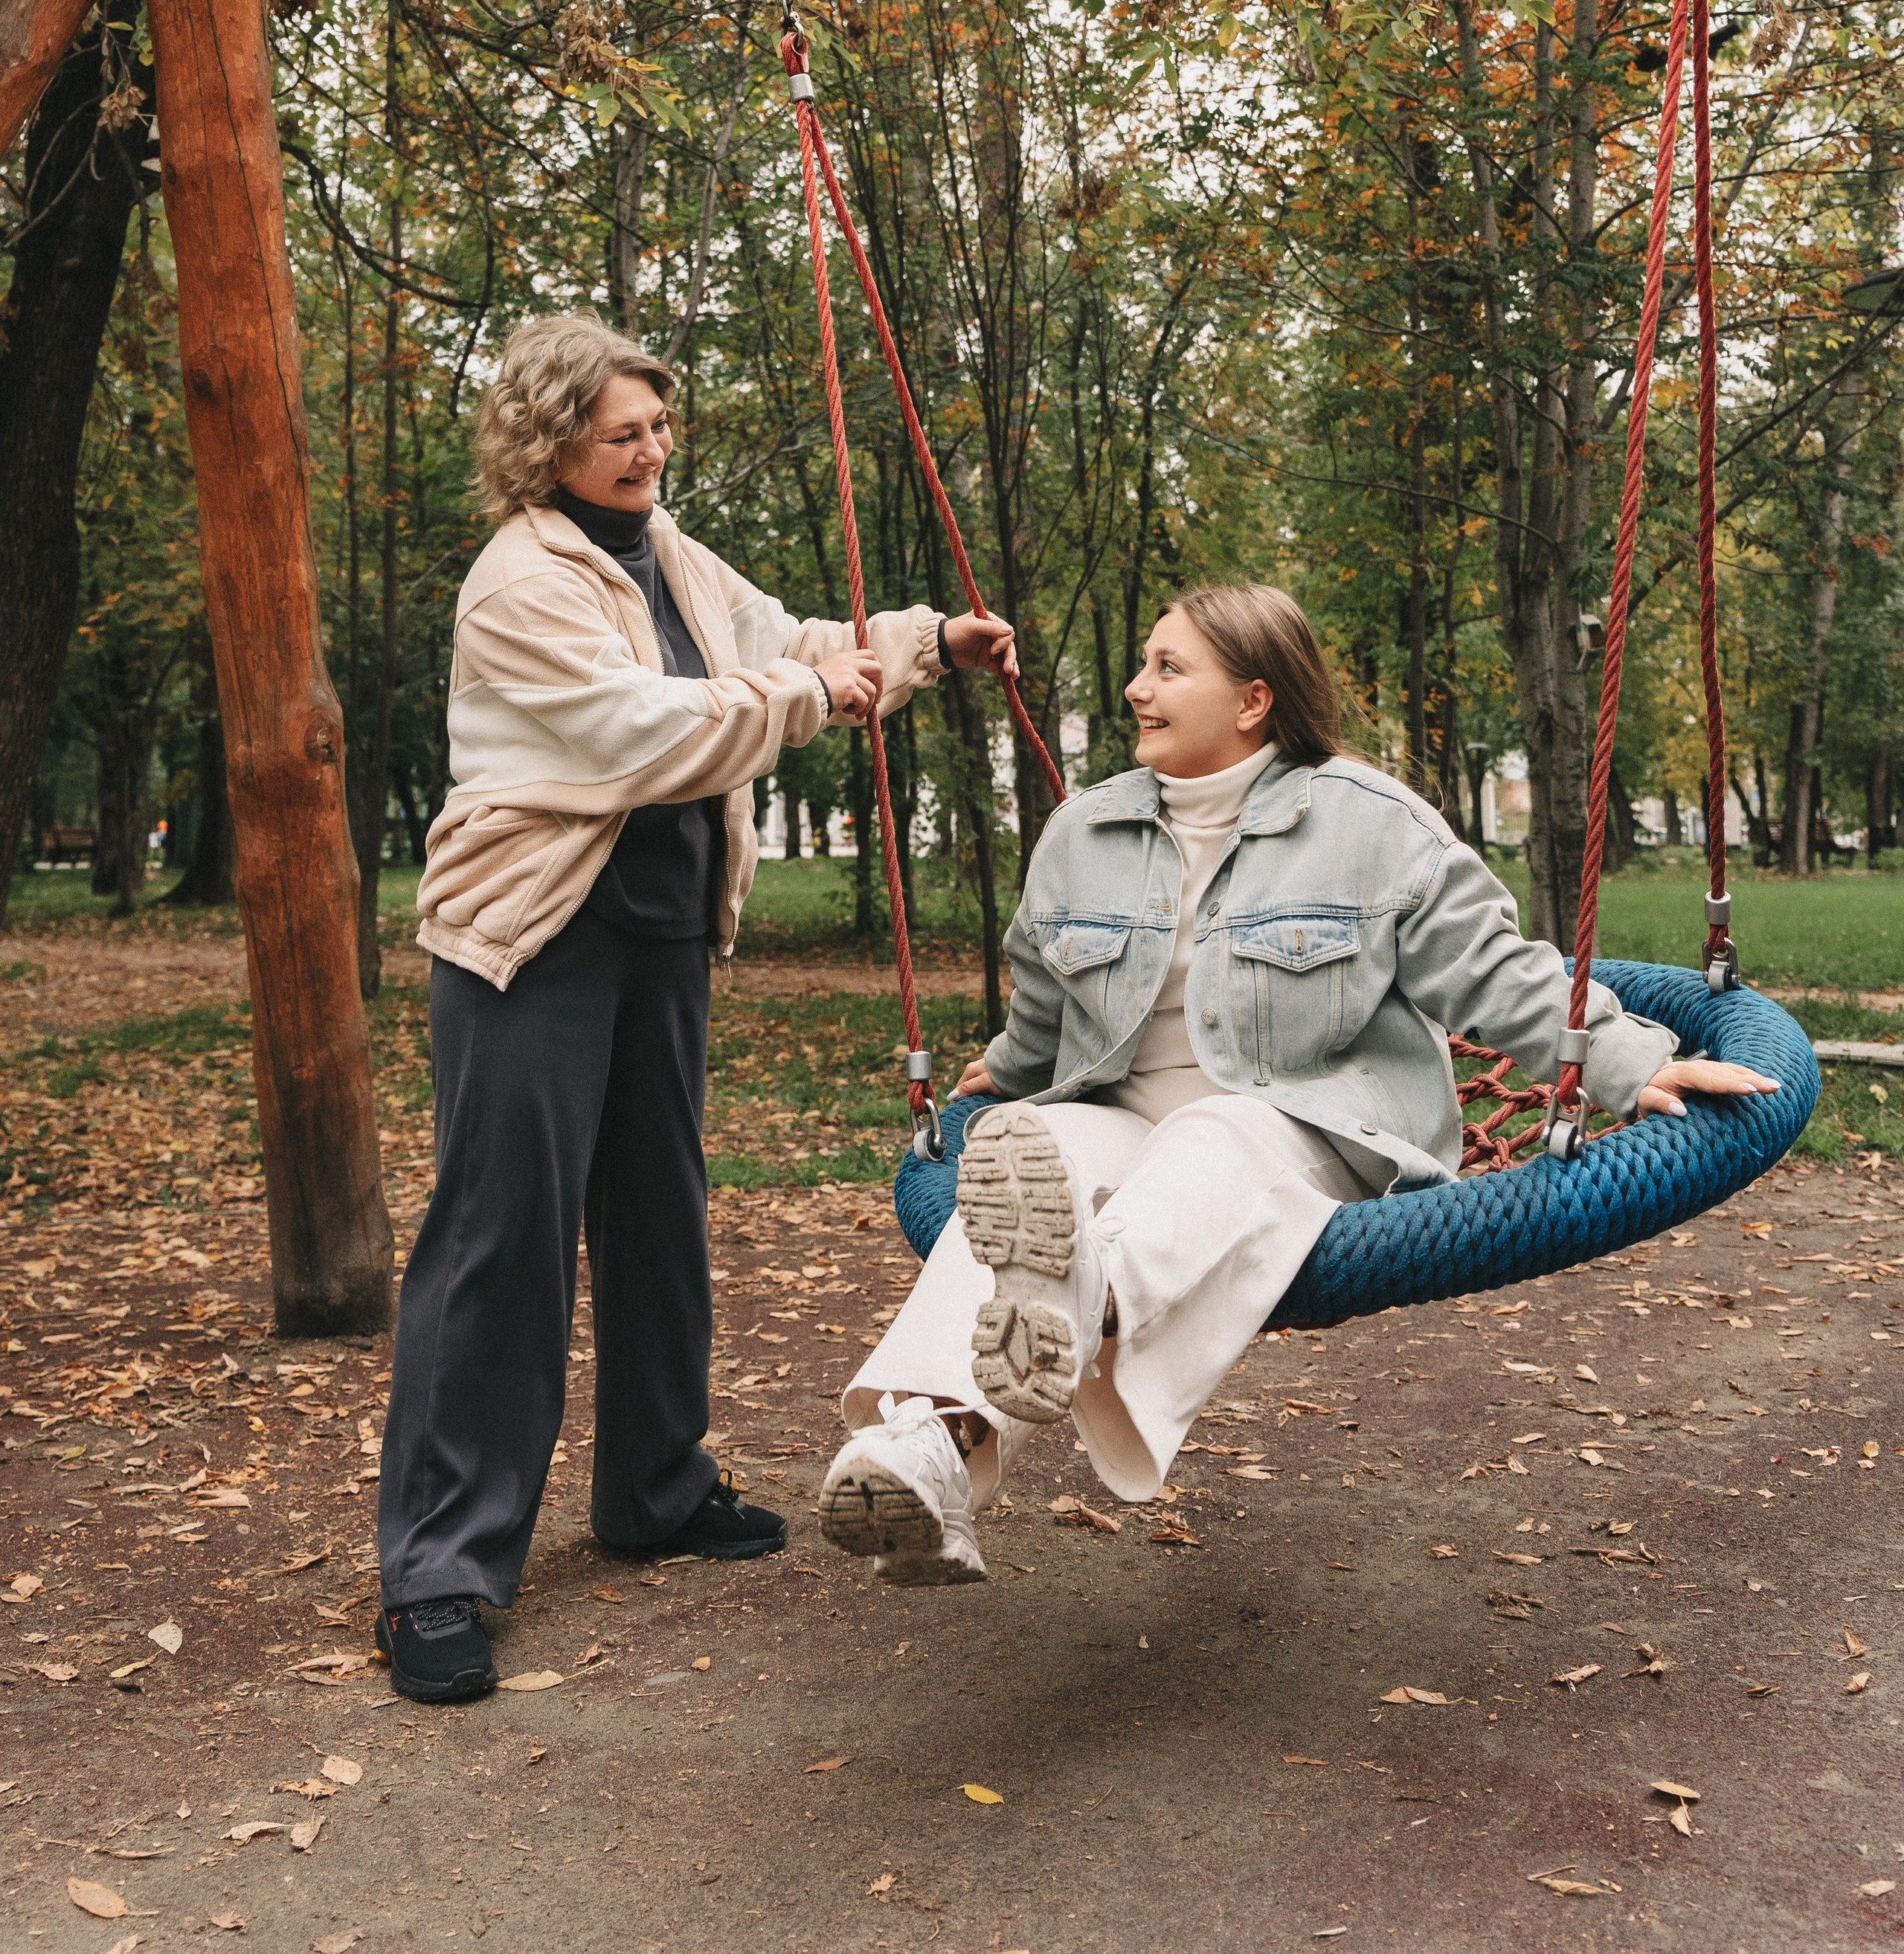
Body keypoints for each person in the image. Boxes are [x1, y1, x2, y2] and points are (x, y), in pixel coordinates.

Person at [817, 583, 1777, 1584]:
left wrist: (1630, 1060)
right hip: (1127, 1115)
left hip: (1315, 1122)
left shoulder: (1371, 825)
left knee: (1215, 1137)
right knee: (1031, 1165)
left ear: (1252, 700)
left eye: (1168, 668)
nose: (1137, 687)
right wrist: (1001, 1078)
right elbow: (1051, 1006)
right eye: (1143, 663)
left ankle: (1061, 1314)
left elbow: (1499, 973)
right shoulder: (1084, 832)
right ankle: (929, 1457)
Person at [376, 313, 1016, 1700]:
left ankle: (655, 1491)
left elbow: (791, 639)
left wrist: (925, 646)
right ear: (549, 442)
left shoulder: (664, 547)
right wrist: (806, 694)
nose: (651, 449)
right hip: (534, 944)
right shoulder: (516, 584)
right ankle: (438, 1575)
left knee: (660, 1219)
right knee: (505, 1243)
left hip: (660, 935)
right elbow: (648, 730)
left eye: (659, 427)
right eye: (623, 432)